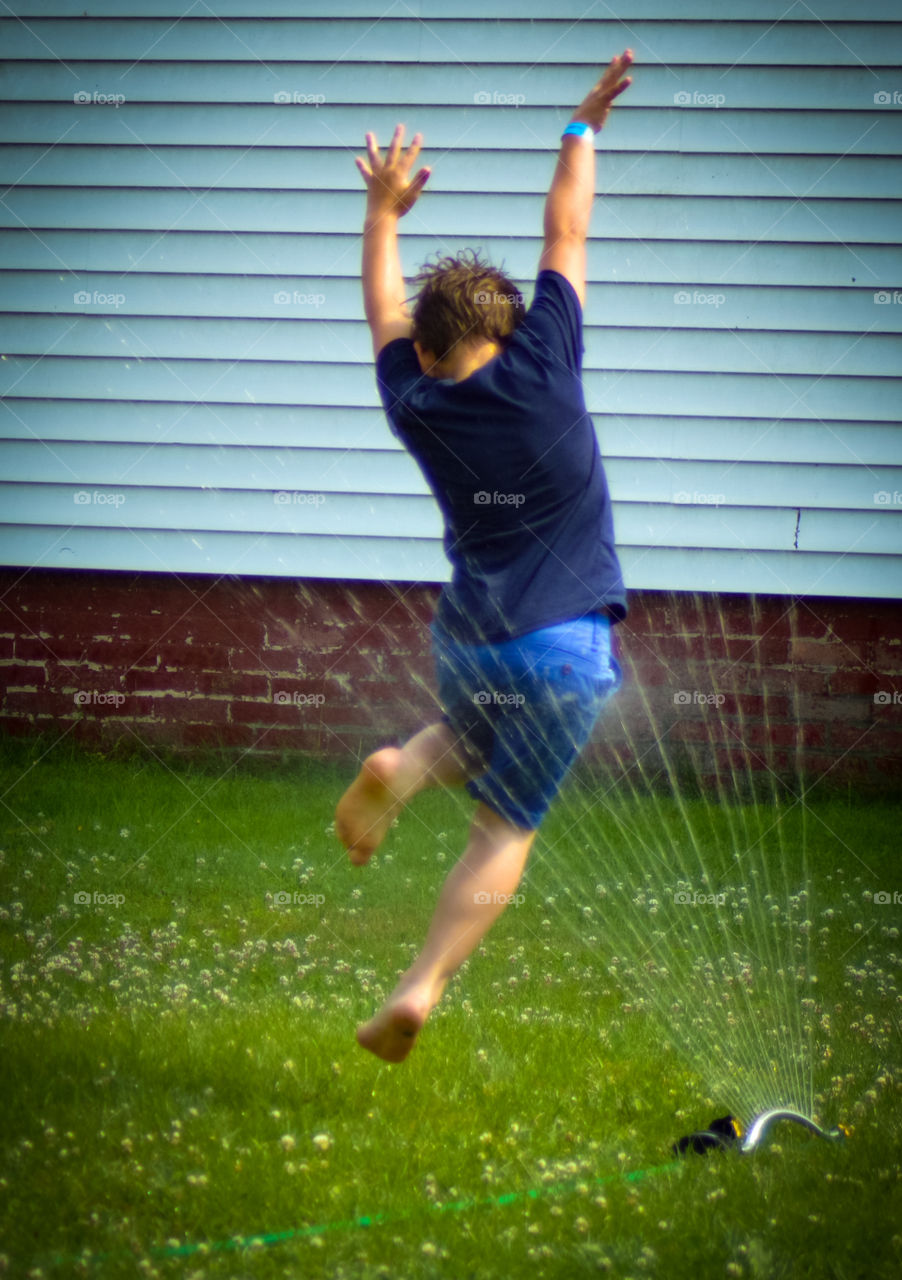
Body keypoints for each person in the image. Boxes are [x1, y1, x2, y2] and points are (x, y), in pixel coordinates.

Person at [336, 50, 634, 1063]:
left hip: (469, 637)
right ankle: (416, 988)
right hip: (563, 648)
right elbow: (566, 225)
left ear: (428, 349)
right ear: (507, 328)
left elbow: (381, 306)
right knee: (502, 827)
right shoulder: (547, 357)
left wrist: (383, 212)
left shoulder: (414, 401)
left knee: (470, 728)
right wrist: (580, 123)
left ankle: (406, 759)